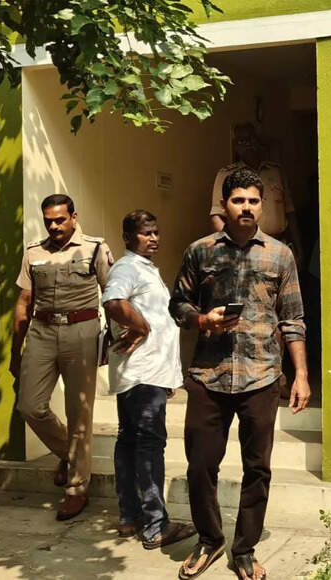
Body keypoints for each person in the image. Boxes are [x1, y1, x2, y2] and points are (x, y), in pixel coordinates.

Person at [171, 168, 310, 580]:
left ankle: (245, 549)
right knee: (200, 465)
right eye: (238, 200)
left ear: (262, 206)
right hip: (208, 375)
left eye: (253, 201)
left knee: (258, 468)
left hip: (261, 376)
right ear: (224, 205)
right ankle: (209, 539)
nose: (246, 207)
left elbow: (293, 319)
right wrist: (202, 320)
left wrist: (301, 375)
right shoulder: (200, 252)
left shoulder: (280, 255)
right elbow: (177, 303)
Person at [10, 194, 114, 520]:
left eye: (60, 220)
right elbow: (24, 302)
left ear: (73, 217)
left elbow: (113, 294)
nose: (54, 226)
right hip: (41, 332)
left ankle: (76, 488)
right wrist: (15, 351)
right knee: (30, 405)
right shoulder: (33, 252)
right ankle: (68, 454)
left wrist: (115, 338)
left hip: (81, 332)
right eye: (49, 221)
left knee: (79, 412)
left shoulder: (95, 249)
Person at [102, 210, 195, 549]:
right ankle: (156, 526)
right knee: (149, 445)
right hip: (143, 373)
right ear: (128, 237)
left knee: (130, 442)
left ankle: (130, 517)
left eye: (155, 232)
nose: (153, 238)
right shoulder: (127, 267)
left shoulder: (144, 268)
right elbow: (113, 301)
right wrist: (141, 327)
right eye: (146, 233)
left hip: (145, 373)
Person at [209, 122, 303, 260]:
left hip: (278, 246)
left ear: (259, 141)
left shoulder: (276, 172)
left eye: (251, 139)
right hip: (243, 249)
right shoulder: (226, 175)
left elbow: (290, 212)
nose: (248, 144)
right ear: (236, 147)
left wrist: (298, 246)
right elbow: (216, 216)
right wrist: (233, 247)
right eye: (242, 141)